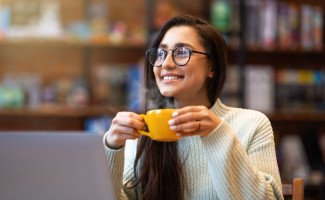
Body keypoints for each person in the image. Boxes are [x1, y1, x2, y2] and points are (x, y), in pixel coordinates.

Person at [104, 15, 284, 200]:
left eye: (182, 52)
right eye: (161, 53)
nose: (166, 63)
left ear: (212, 66)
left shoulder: (251, 125)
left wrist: (217, 135)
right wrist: (112, 148)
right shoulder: (143, 133)